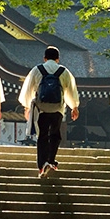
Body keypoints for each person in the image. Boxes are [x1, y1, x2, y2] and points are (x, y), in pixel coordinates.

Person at [19, 46, 80, 177]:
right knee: (55, 135)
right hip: (58, 108)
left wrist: (27, 107)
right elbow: (71, 91)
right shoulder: (64, 71)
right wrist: (74, 107)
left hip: (41, 109)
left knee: (42, 136)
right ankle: (51, 160)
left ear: (44, 58)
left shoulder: (37, 70)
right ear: (58, 59)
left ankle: (42, 165)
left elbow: (28, 89)